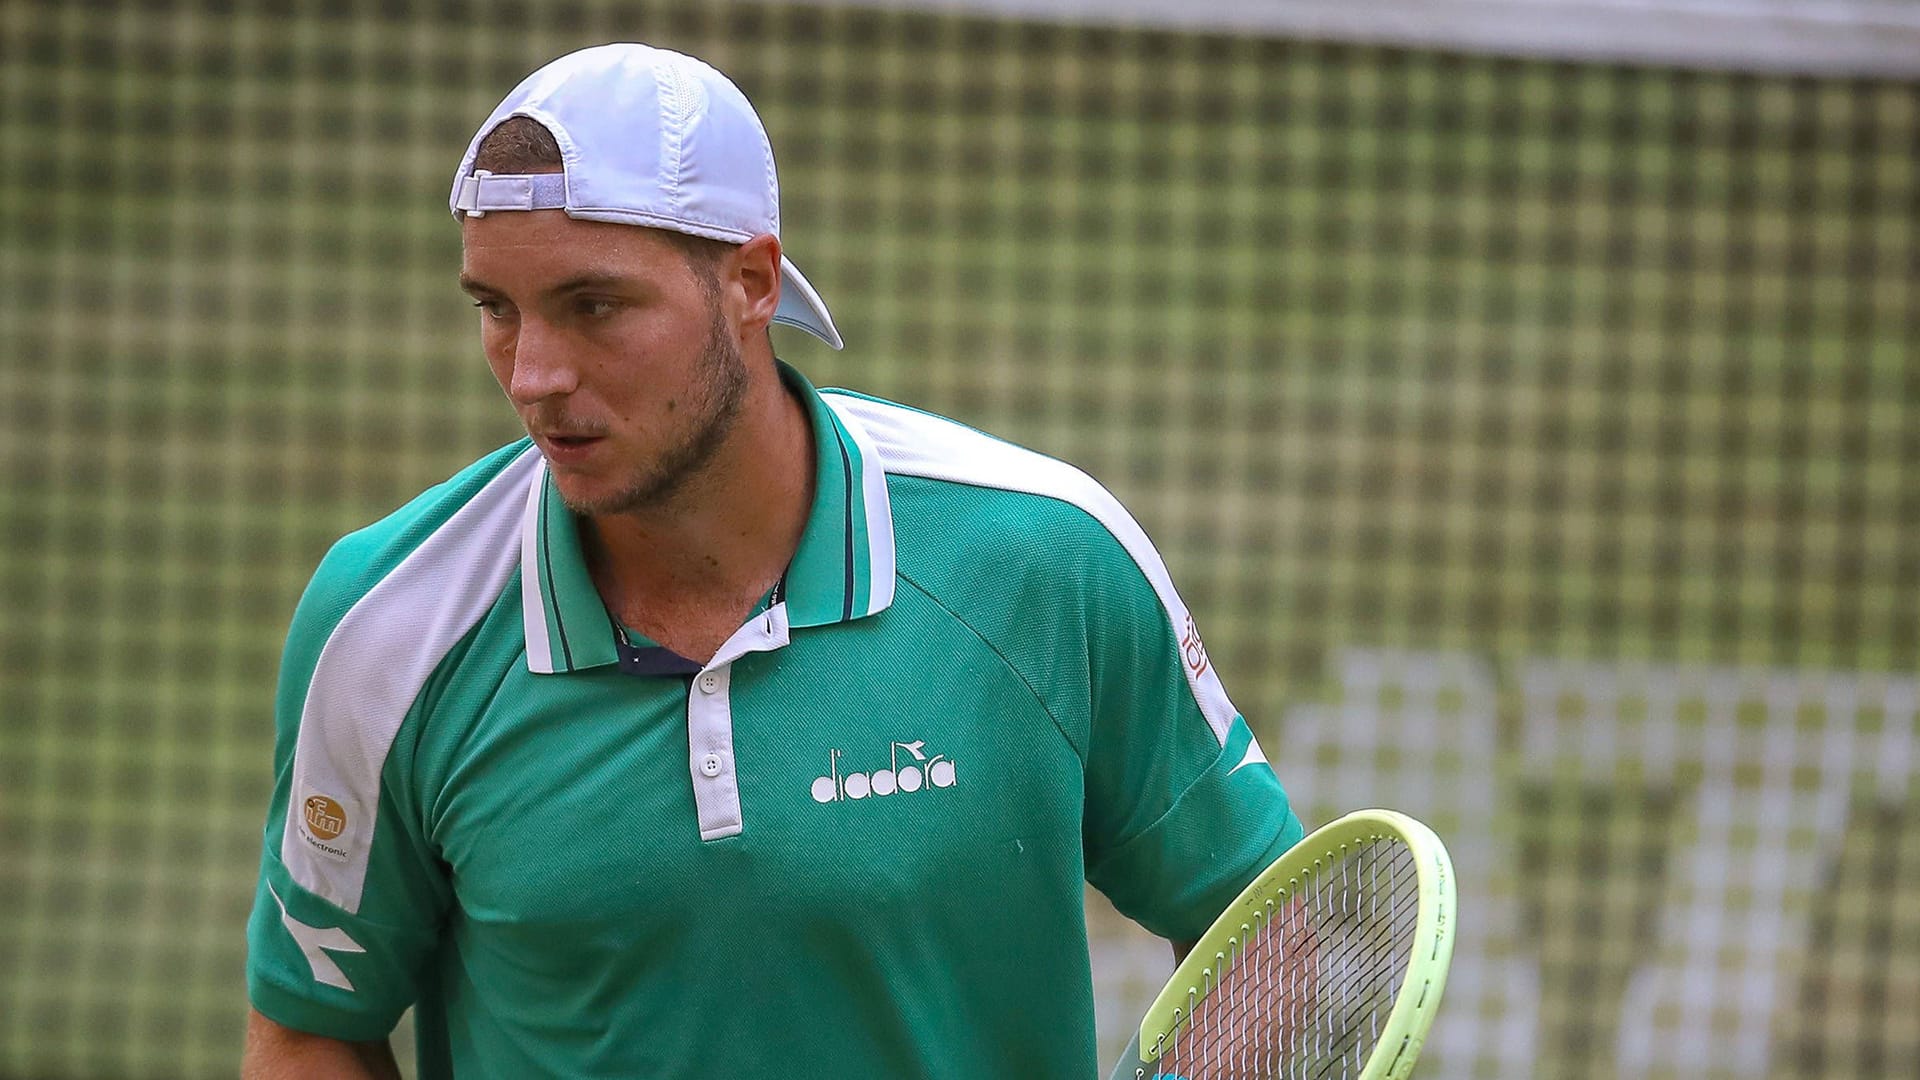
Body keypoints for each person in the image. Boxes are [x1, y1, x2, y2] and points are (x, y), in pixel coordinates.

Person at [241, 41, 1303, 1079]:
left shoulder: (1044, 562)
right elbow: (311, 1024)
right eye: (496, 310)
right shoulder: (387, 626)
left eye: (594, 306)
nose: (534, 374)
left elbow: (1272, 928)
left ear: (750, 281)